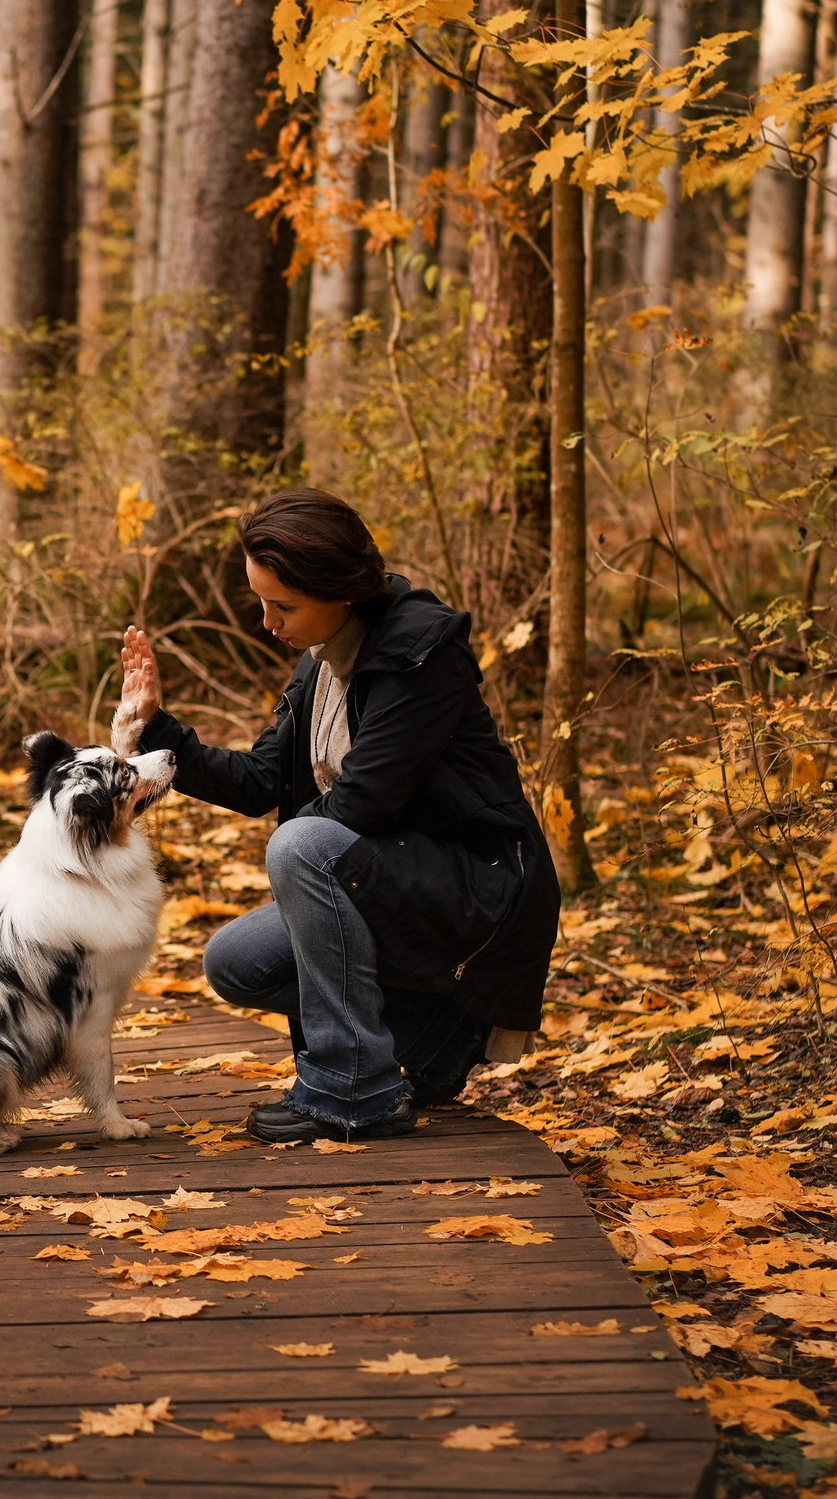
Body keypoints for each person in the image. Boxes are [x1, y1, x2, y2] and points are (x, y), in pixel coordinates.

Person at [117, 487, 559, 1141]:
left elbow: (363, 806)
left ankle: (352, 1086)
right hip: (397, 882)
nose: (268, 621)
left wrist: (301, 862)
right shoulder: (321, 661)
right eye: (261, 601)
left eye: (282, 605)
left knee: (302, 845)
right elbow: (261, 780)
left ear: (341, 588)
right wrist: (160, 731)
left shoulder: (419, 656)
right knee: (235, 960)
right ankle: (426, 1046)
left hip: (478, 891)